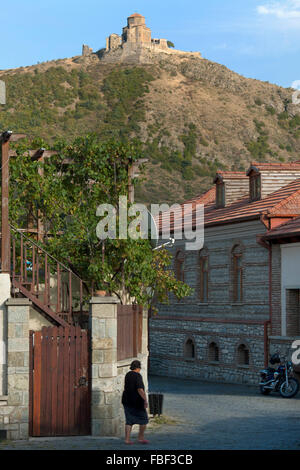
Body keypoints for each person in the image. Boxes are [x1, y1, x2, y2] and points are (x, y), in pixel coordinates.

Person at [122, 359, 149, 445]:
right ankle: (140, 438)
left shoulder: (127, 375)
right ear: (138, 368)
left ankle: (127, 439)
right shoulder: (138, 376)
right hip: (136, 402)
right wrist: (145, 400)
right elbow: (140, 389)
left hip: (126, 400)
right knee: (144, 419)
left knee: (129, 421)